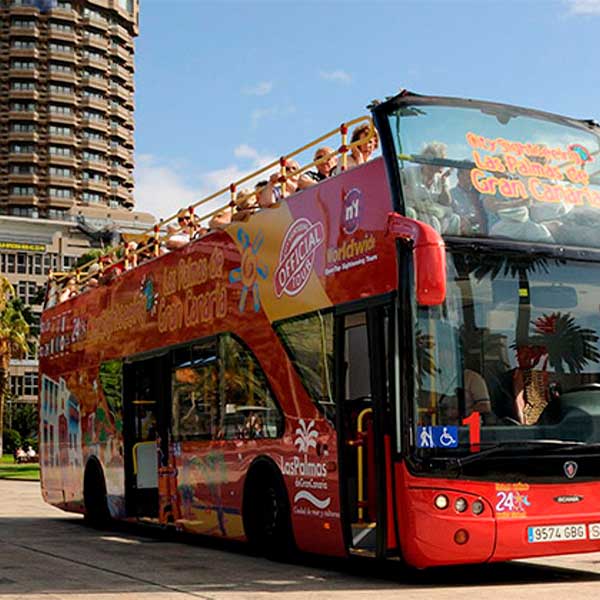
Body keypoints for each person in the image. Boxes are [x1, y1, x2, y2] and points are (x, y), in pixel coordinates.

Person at [450, 167, 487, 234]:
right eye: (469, 176)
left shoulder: (479, 194)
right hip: (461, 232)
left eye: (474, 176)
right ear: (459, 176)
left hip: (482, 231)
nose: (472, 179)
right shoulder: (450, 194)